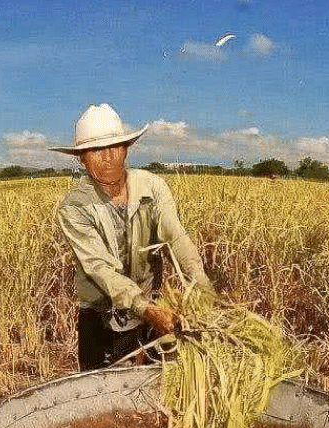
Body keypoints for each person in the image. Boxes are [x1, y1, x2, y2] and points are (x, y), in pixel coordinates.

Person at [50, 104, 212, 371]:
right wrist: (145, 308)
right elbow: (100, 269)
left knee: (155, 388)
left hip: (152, 308)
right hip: (102, 317)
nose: (108, 157)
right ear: (81, 158)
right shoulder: (74, 207)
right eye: (95, 150)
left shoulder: (152, 187)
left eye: (115, 147)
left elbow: (176, 238)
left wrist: (203, 290)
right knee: (102, 395)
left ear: (127, 148)